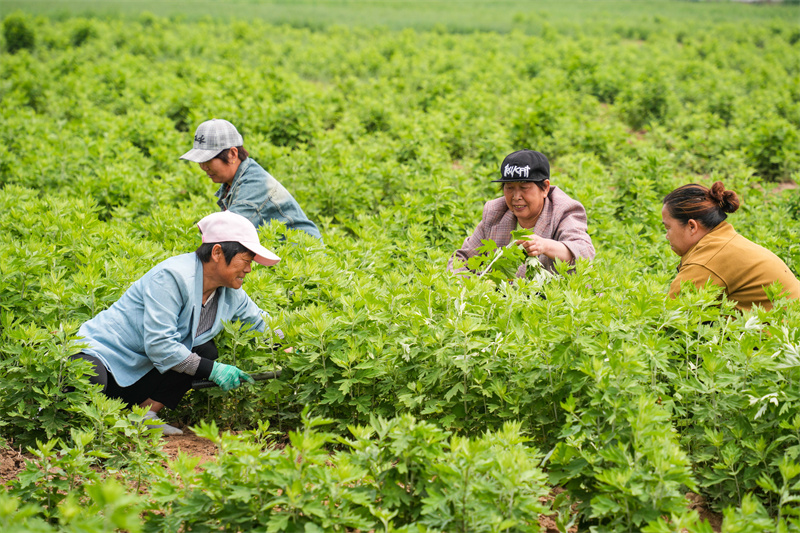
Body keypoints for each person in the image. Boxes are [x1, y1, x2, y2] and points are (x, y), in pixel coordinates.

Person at [75, 211, 284, 435]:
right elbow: (159, 344)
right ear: (217, 252)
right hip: (105, 356)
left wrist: (290, 343)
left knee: (205, 349)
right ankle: (73, 422)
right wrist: (212, 370)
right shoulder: (172, 277)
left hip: (140, 372)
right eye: (245, 260)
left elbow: (263, 323)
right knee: (87, 377)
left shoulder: (231, 292)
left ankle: (144, 415)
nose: (249, 269)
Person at [448, 149, 595, 277]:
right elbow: (461, 258)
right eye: (509, 187)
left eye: (524, 187)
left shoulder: (564, 211)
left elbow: (584, 253)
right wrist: (463, 290)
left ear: (545, 188)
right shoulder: (496, 212)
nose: (516, 196)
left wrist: (544, 246)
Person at [662, 181, 800, 311]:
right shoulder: (724, 241)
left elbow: (669, 316)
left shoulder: (707, 261)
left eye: (668, 228)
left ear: (692, 226)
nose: (667, 236)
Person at [180, 118, 322, 240]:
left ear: (232, 154)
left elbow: (226, 229)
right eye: (200, 161)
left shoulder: (254, 183)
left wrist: (189, 231)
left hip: (304, 255)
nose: (203, 167)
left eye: (208, 160)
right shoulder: (233, 182)